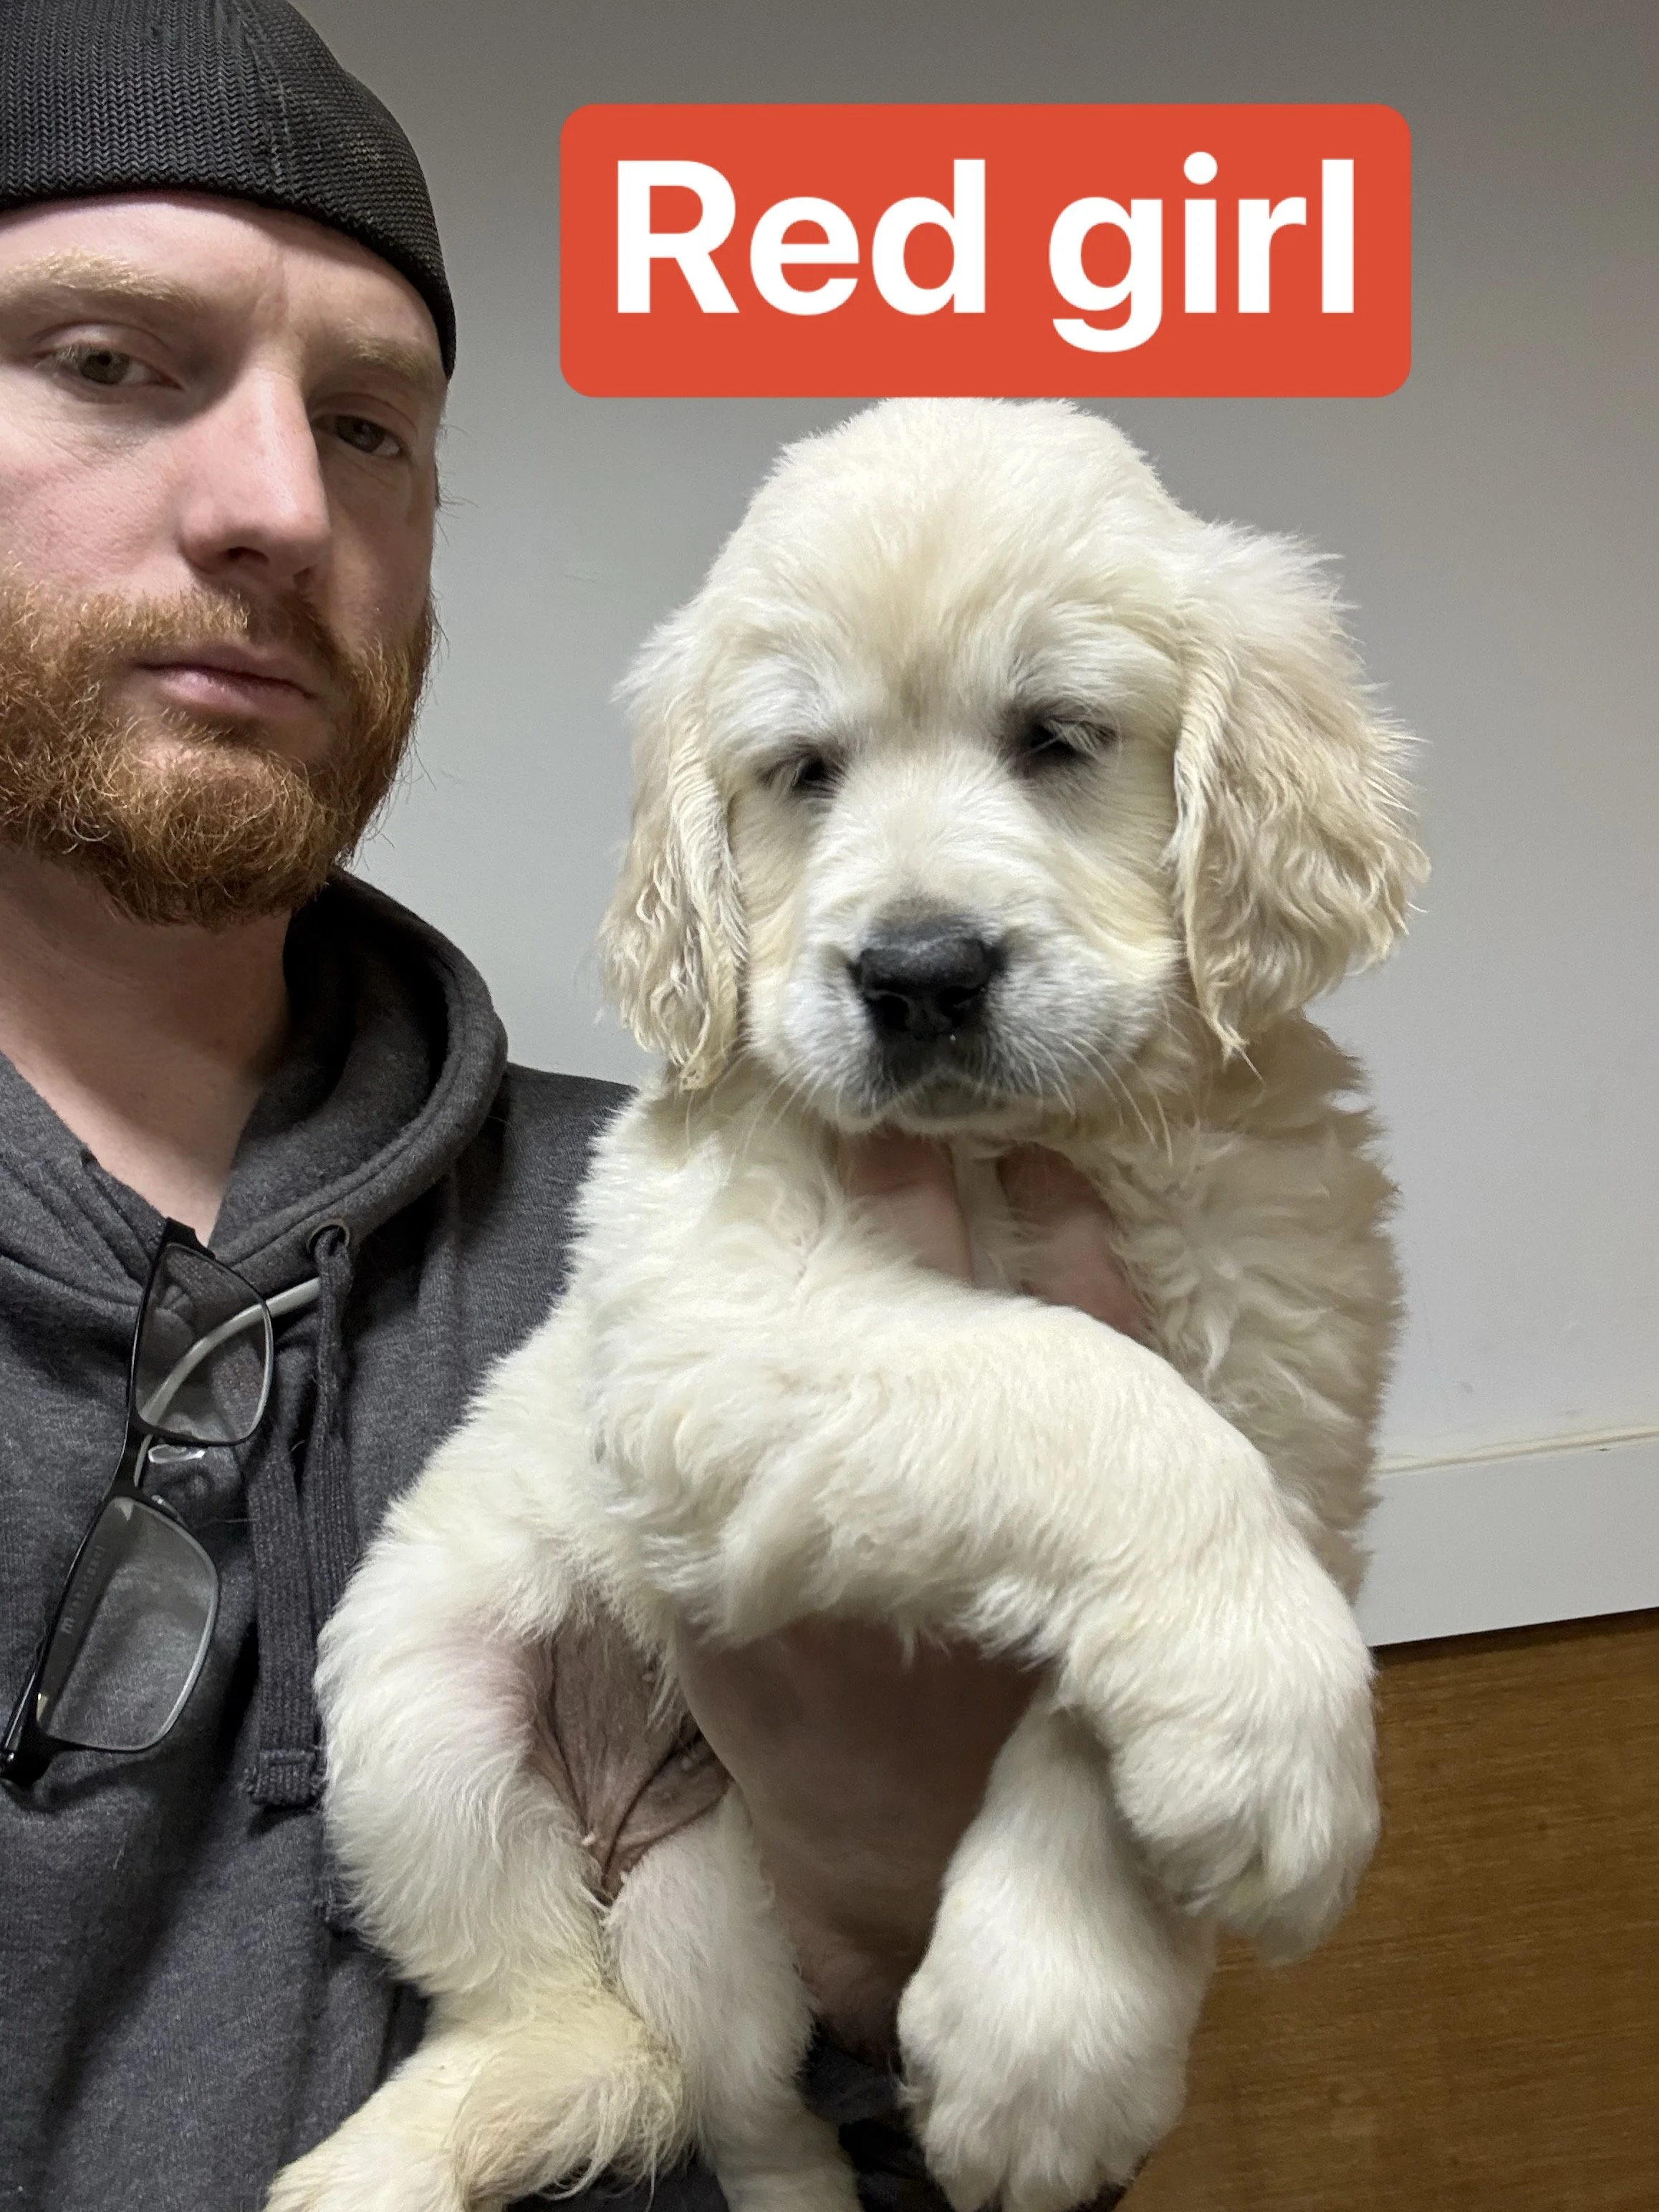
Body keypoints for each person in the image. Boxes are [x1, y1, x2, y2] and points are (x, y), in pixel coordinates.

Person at [0, 5, 1143, 2208]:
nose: (274, 503)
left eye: (369, 425)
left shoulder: (722, 1229)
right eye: (108, 361)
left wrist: (906, 1908)